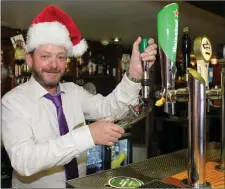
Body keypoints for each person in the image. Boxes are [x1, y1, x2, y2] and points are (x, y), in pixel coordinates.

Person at [1, 5, 157, 188]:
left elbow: (111, 108)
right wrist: (87, 135)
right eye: (45, 56)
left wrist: (134, 74)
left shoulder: (73, 91)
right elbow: (24, 161)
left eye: (60, 57)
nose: (53, 64)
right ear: (29, 59)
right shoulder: (12, 102)